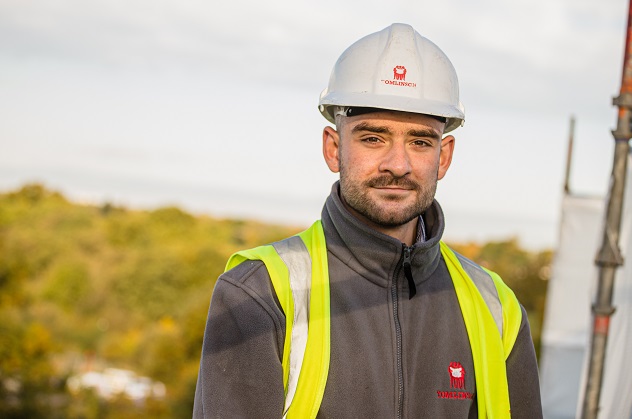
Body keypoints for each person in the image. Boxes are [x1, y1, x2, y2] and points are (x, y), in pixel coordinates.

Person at [193, 23, 543, 418]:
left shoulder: (497, 309)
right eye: (373, 138)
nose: (398, 164)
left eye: (420, 141)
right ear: (333, 148)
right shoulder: (260, 292)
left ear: (443, 157)